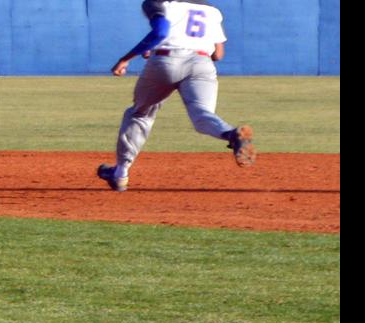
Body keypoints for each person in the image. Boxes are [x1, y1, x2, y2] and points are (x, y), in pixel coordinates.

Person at [98, 1, 254, 192]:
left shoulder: (158, 3)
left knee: (140, 114)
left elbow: (161, 33)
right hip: (202, 63)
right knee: (202, 115)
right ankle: (231, 134)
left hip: (165, 61)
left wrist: (126, 59)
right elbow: (218, 54)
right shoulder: (211, 10)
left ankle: (120, 174)